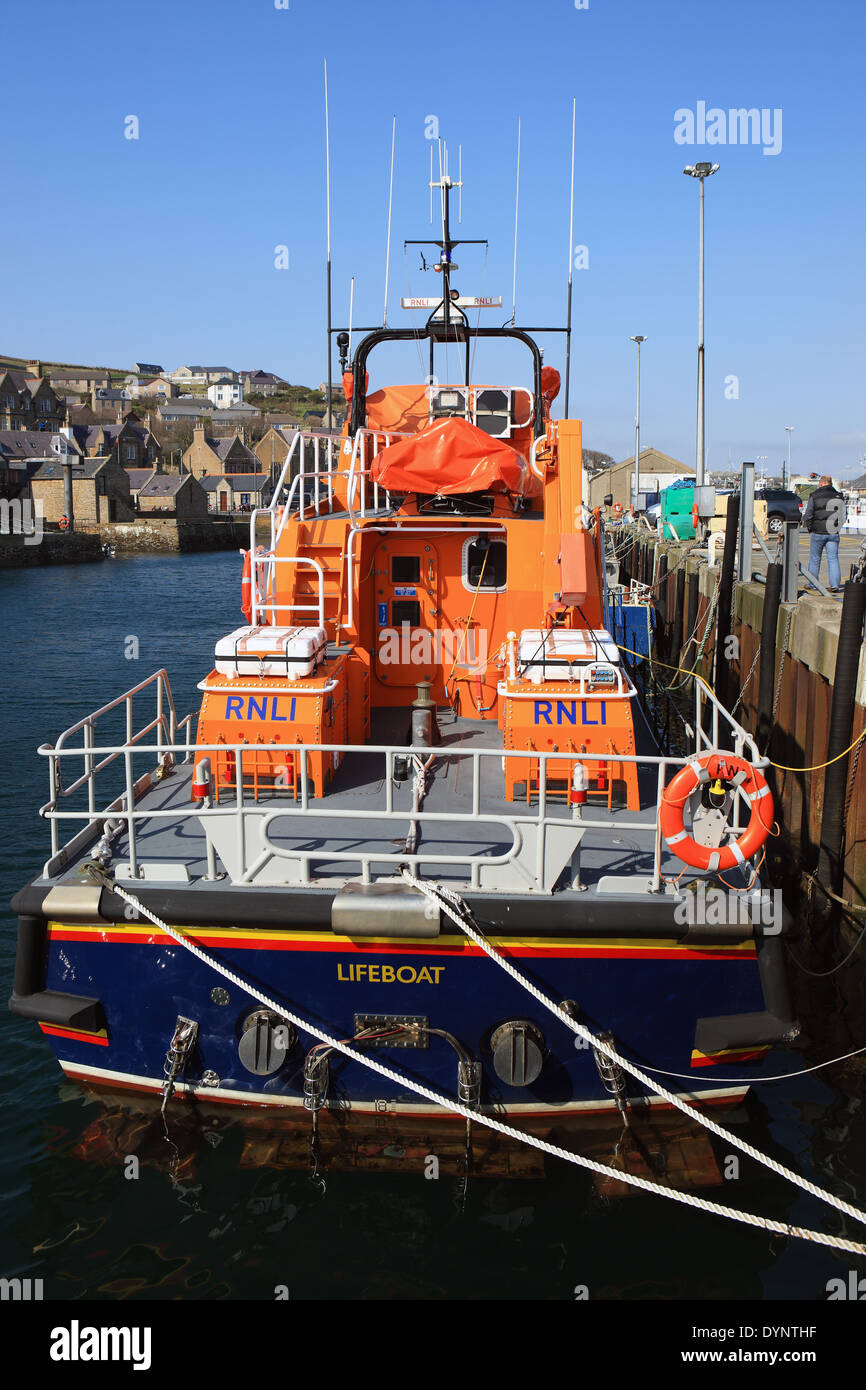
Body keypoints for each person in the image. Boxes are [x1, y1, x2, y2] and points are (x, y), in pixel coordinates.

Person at [802, 475, 845, 591]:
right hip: (833, 532)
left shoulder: (814, 496)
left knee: (815, 559)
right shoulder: (839, 496)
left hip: (818, 532)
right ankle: (835, 585)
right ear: (830, 483)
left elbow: (808, 515)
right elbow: (843, 516)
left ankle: (813, 584)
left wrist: (810, 529)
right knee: (833, 558)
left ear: (821, 483)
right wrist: (837, 528)